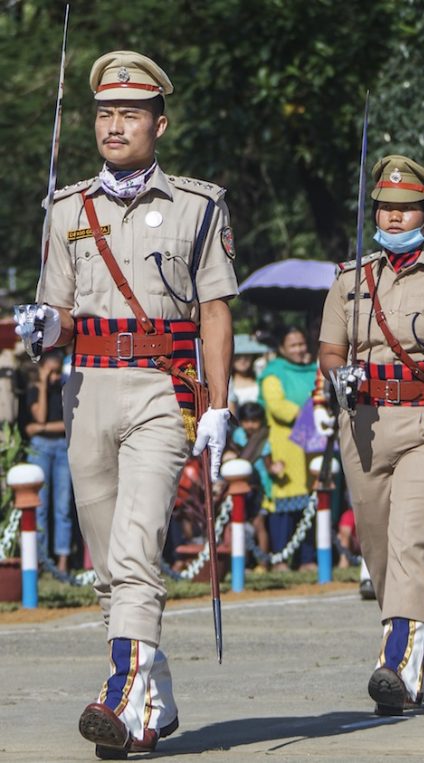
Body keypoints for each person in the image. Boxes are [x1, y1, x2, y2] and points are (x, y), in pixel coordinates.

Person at [18, 51, 237, 754]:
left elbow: (215, 311)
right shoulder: (64, 208)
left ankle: (119, 691)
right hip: (87, 388)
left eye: (130, 114)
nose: (115, 125)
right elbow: (58, 309)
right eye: (105, 114)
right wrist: (41, 326)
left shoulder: (198, 205)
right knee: (108, 561)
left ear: (158, 123)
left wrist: (219, 404)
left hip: (162, 391)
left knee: (138, 549)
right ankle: (153, 692)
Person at [318, 154, 424, 713]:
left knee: (411, 539)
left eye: (405, 208)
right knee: (377, 548)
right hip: (362, 422)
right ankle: (422, 661)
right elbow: (329, 348)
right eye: (385, 208)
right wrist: (334, 372)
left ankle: (393, 658)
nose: (393, 218)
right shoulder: (349, 278)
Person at [259, 327, 318, 571]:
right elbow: (276, 406)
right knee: (283, 506)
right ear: (282, 348)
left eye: (301, 343)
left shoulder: (316, 371)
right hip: (285, 446)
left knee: (309, 502)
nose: (298, 349)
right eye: (292, 345)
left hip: (313, 446)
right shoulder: (273, 373)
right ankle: (280, 559)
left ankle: (307, 559)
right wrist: (308, 412)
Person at [25, 349, 73, 572]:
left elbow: (66, 424)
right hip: (40, 449)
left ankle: (62, 561)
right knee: (40, 506)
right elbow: (40, 415)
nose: (54, 377)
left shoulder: (66, 390)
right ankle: (42, 560)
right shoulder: (34, 390)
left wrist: (41, 428)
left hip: (62, 447)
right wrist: (43, 384)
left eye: (56, 372)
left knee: (62, 507)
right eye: (50, 372)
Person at [230, 401, 279, 558]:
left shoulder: (263, 439)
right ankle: (243, 562)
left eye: (254, 421)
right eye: (246, 421)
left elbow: (268, 464)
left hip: (262, 489)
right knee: (237, 523)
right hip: (242, 485)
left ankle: (263, 563)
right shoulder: (237, 435)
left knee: (259, 524)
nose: (250, 425)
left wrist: (275, 469)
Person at [230, 334, 269, 408]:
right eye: (238, 356)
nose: (243, 360)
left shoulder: (260, 376)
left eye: (247, 356)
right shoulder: (228, 383)